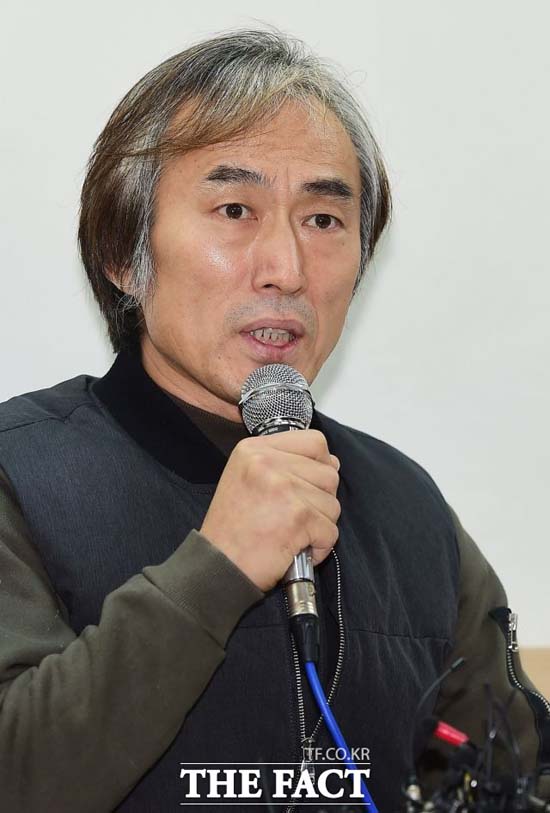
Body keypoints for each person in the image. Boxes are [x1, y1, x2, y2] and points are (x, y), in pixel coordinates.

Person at [0, 28, 548, 813]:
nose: (286, 269)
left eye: (323, 220)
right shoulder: (21, 476)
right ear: (124, 252)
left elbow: (514, 778)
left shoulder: (409, 510)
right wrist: (217, 566)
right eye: (234, 209)